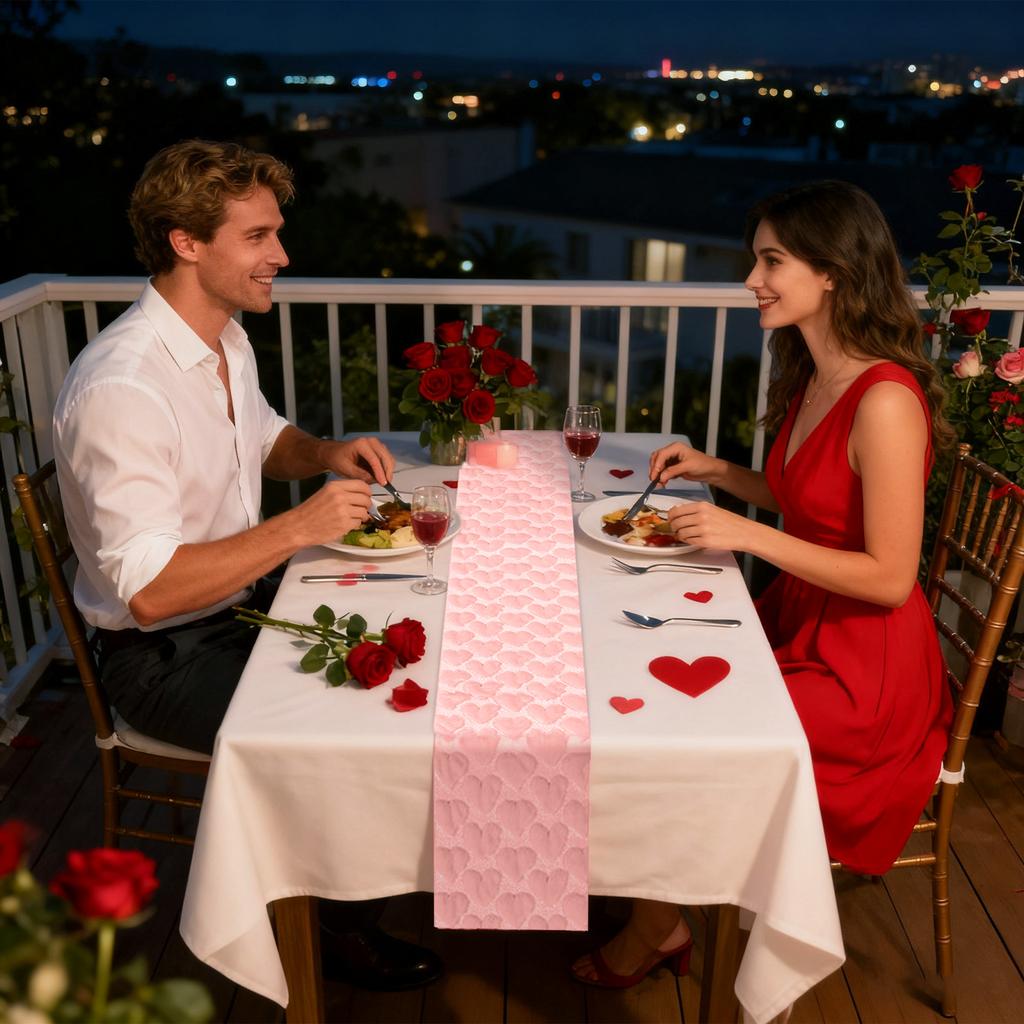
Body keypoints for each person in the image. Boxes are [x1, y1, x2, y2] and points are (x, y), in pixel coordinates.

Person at [53, 138, 441, 991]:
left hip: (243, 609)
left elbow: (267, 442)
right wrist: (299, 529)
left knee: (425, 644)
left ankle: (365, 881)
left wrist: (325, 452)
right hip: (162, 657)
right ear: (187, 242)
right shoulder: (123, 388)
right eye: (259, 237)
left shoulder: (220, 339)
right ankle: (324, 931)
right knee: (367, 729)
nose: (282, 256)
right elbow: (150, 594)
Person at [572, 180, 953, 988]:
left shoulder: (885, 400)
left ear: (836, 273)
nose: (752, 279)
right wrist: (723, 475)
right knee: (646, 688)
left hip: (865, 671)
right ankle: (659, 895)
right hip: (799, 624)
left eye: (771, 261)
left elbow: (888, 578)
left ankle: (658, 924)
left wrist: (749, 537)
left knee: (683, 733)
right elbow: (814, 497)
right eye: (757, 260)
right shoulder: (820, 374)